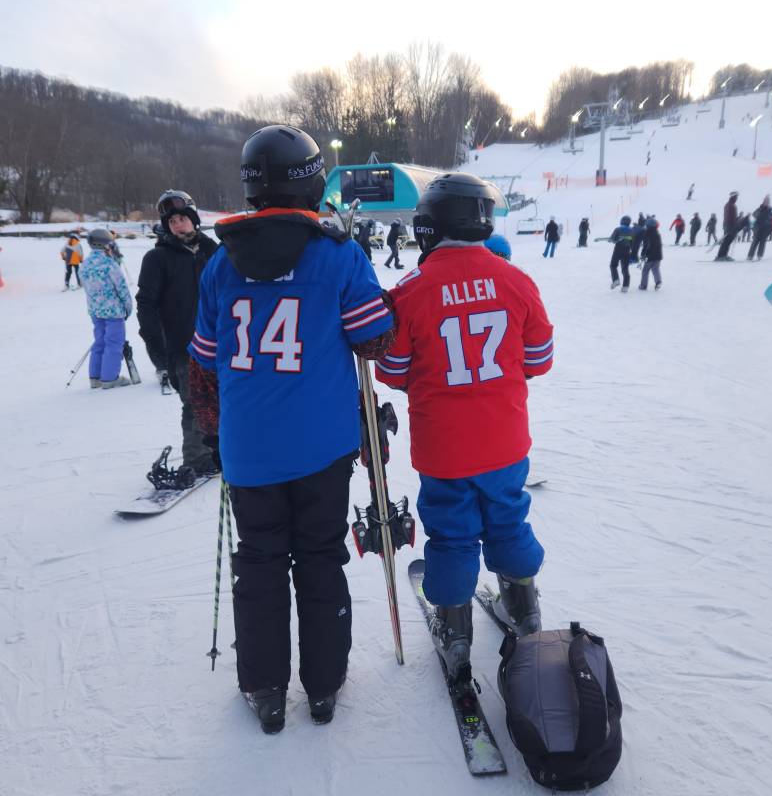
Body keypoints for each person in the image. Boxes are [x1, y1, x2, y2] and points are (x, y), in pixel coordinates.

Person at [188, 125, 395, 734]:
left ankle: (264, 686)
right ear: (310, 180)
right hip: (325, 448)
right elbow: (374, 337)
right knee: (321, 559)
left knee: (259, 562)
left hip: (249, 449)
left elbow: (203, 363)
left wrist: (213, 431)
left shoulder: (220, 264)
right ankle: (324, 686)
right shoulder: (337, 254)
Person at [375, 172, 553, 686]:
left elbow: (391, 371)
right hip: (505, 439)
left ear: (430, 227)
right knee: (508, 520)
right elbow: (539, 358)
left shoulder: (411, 289)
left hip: (444, 447)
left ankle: (456, 633)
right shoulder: (515, 279)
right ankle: (525, 608)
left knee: (452, 534)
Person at [136, 189, 219, 475]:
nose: (178, 225)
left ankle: (227, 449)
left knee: (229, 400)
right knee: (196, 405)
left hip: (224, 344)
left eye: (183, 218)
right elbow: (146, 306)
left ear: (194, 220)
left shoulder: (214, 251)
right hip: (184, 348)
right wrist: (158, 352)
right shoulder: (157, 259)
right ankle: (198, 459)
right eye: (172, 222)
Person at [79, 229, 133, 389]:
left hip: (95, 311)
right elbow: (122, 287)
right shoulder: (110, 264)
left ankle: (95, 377)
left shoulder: (85, 264)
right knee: (114, 343)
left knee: (100, 341)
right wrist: (128, 307)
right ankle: (110, 378)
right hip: (113, 311)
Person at [609, 215, 635, 292]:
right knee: (625, 268)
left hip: (618, 249)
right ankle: (626, 286)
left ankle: (616, 279)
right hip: (627, 250)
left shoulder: (618, 229)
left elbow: (613, 239)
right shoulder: (632, 231)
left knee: (613, 265)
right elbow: (632, 243)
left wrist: (612, 240)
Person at [747, 196, 772, 261]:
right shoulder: (759, 208)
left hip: (766, 228)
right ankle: (750, 255)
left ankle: (759, 255)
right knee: (755, 241)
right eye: (765, 200)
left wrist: (771, 226)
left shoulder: (771, 209)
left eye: (768, 201)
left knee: (763, 241)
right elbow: (754, 214)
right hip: (758, 227)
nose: (766, 202)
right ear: (763, 201)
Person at [638, 217, 663, 291]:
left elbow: (646, 245)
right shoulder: (657, 233)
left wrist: (643, 254)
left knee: (645, 270)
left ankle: (643, 285)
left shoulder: (647, 233)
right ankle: (658, 282)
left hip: (650, 255)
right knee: (656, 269)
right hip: (658, 255)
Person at [715, 191, 740, 261]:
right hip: (730, 226)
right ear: (733, 197)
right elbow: (728, 217)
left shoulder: (731, 205)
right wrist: (734, 225)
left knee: (727, 241)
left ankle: (723, 255)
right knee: (727, 241)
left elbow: (731, 217)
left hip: (729, 225)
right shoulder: (730, 205)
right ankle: (720, 256)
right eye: (736, 197)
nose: (737, 198)